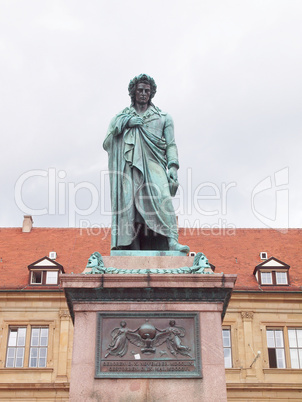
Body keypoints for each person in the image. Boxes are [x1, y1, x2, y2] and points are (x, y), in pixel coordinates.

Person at [103, 74, 189, 252]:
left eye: (147, 91)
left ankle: (172, 241)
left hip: (154, 163)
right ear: (133, 92)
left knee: (163, 198)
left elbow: (171, 145)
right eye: (140, 90)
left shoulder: (164, 117)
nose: (143, 93)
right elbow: (108, 141)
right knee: (130, 205)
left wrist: (173, 166)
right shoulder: (123, 116)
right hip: (129, 166)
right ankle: (131, 245)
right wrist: (126, 123)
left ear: (152, 93)